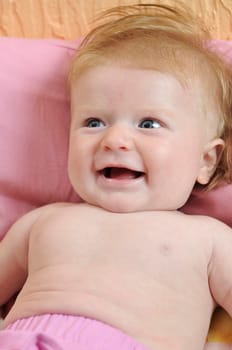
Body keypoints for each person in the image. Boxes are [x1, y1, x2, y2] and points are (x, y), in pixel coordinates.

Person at [0, 2, 232, 350]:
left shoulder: (209, 240)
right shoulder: (41, 223)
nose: (115, 140)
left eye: (149, 124)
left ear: (206, 161)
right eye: (94, 123)